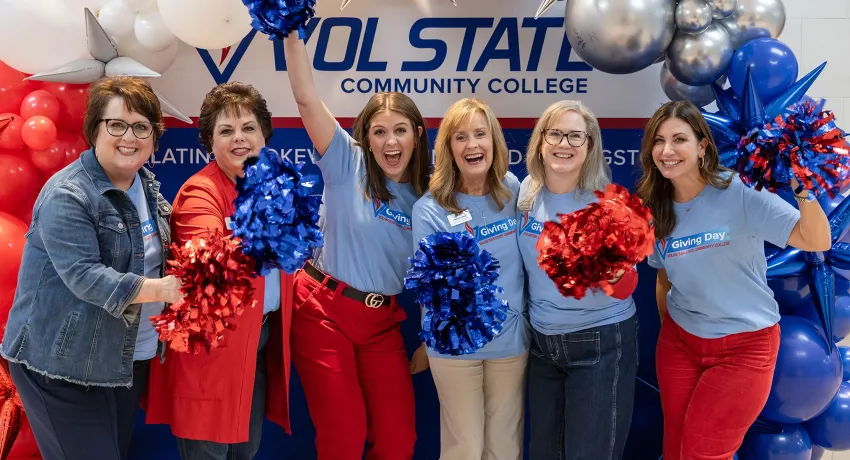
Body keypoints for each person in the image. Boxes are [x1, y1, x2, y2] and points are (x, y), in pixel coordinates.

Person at [0, 76, 183, 460]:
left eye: (141, 127)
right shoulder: (67, 194)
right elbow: (85, 276)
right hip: (61, 366)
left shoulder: (146, 187)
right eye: (116, 124)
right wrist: (163, 290)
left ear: (154, 136)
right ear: (94, 130)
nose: (128, 137)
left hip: (123, 360)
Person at [637, 100, 832, 460]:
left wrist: (804, 189)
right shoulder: (654, 205)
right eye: (658, 141)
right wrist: (675, 329)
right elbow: (664, 277)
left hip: (745, 347)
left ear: (702, 147)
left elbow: (816, 240)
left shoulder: (739, 191)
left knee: (702, 453)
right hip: (680, 344)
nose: (667, 151)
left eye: (679, 139)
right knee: (675, 448)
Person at [282, 34, 431, 459]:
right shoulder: (347, 161)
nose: (390, 142)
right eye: (379, 132)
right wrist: (291, 32)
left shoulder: (430, 196)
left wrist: (431, 340)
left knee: (398, 441)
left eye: (400, 131)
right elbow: (306, 97)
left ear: (416, 135)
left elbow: (442, 276)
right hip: (322, 311)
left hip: (381, 323)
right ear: (365, 136)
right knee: (344, 438)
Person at [144, 82, 294, 460]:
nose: (239, 138)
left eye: (248, 128)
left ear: (265, 135)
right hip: (212, 353)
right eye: (226, 131)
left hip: (256, 345)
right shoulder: (200, 192)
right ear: (210, 142)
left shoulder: (273, 186)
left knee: (246, 452)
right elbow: (216, 264)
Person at [516, 100, 639, 460]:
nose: (564, 144)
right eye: (555, 134)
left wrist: (616, 273)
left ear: (589, 147)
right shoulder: (526, 193)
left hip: (600, 344)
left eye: (575, 136)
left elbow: (626, 287)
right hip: (542, 346)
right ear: (541, 141)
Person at [410, 98, 528, 460]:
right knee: (465, 448)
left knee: (504, 447)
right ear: (448, 148)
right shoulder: (429, 209)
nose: (473, 145)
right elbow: (430, 290)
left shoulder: (513, 190)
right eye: (461, 137)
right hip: (456, 349)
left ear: (494, 141)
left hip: (511, 343)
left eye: (480, 134)